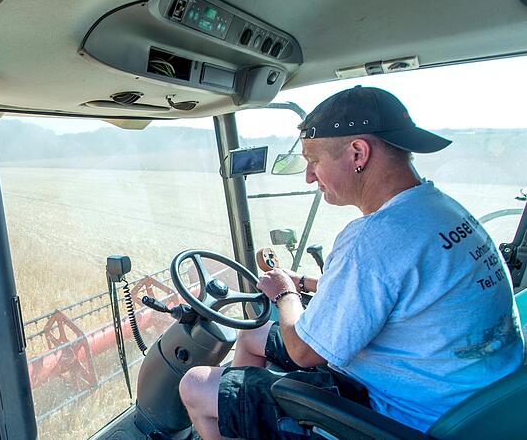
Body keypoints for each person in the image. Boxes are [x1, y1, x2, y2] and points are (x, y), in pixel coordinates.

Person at [179, 86, 525, 439]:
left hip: (399, 418)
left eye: (314, 161)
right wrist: (304, 284)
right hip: (480, 406)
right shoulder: (440, 210)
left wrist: (285, 294)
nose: (309, 176)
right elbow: (401, 290)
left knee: (195, 385)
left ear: (358, 153)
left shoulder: (374, 238)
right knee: (254, 333)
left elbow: (303, 352)